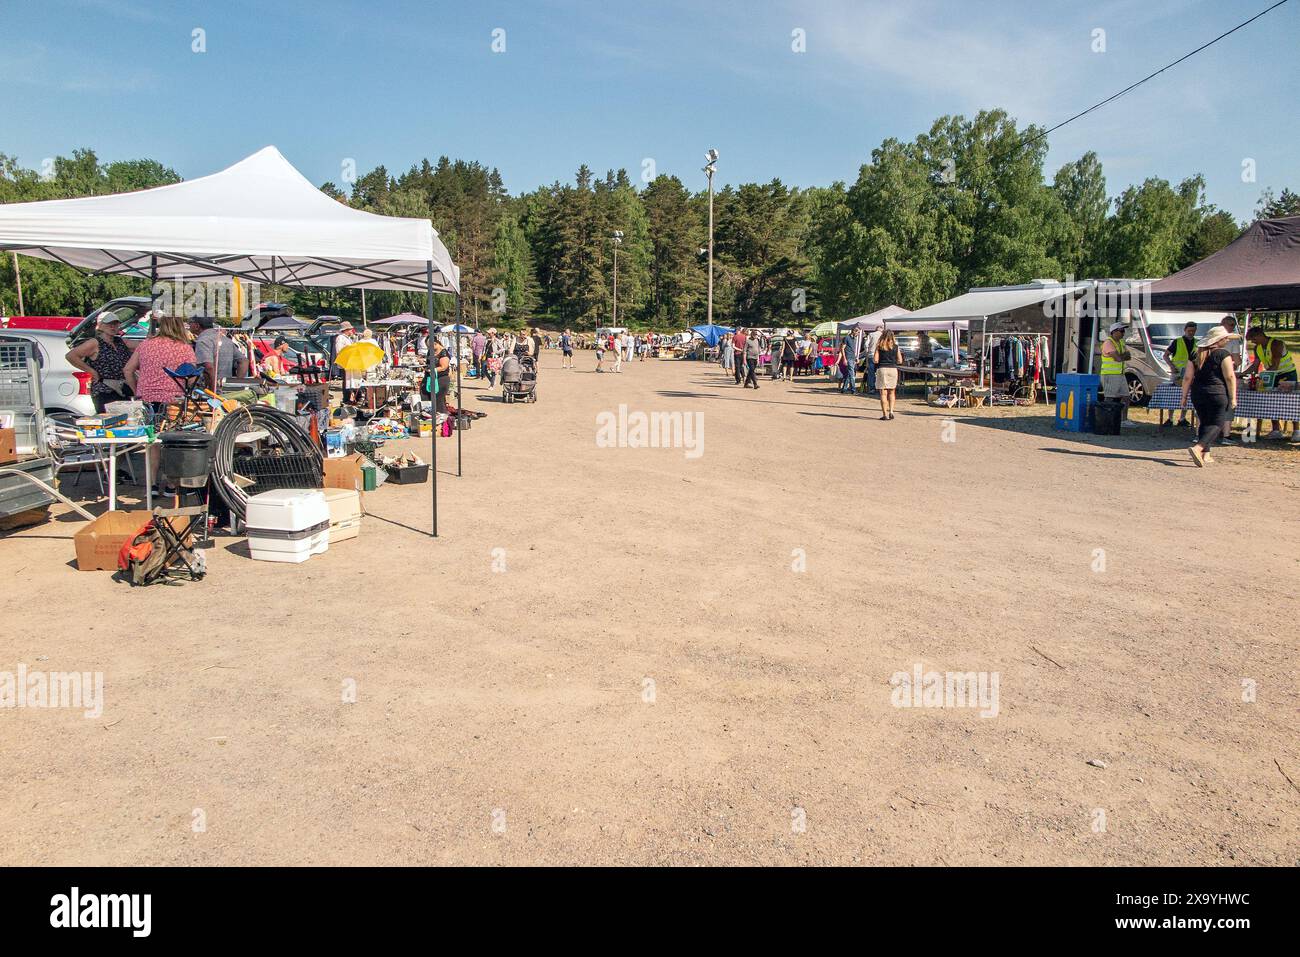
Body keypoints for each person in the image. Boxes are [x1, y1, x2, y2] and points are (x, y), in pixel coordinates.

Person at [1180, 325, 1238, 467]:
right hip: (1217, 392)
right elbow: (1230, 376)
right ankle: (1198, 448)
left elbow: (1187, 377)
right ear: (1218, 340)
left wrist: (1184, 396)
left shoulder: (1195, 354)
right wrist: (1233, 397)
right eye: (1226, 338)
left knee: (1204, 422)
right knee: (1217, 424)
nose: (1227, 341)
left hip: (1198, 393)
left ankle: (1205, 454)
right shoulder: (1223, 354)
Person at [123, 315, 198, 417]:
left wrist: (136, 390)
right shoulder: (184, 348)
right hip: (172, 400)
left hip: (146, 398)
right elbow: (191, 378)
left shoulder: (145, 345)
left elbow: (127, 370)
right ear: (180, 326)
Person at [65, 314, 135, 412]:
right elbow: (71, 356)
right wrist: (91, 371)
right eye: (109, 324)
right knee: (109, 421)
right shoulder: (95, 343)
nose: (112, 327)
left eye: (115, 324)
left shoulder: (120, 342)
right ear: (101, 326)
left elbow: (141, 345)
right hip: (104, 390)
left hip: (123, 389)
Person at [1243, 326, 1298, 439]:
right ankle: (1276, 430)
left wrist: (1263, 375)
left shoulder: (1276, 344)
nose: (1252, 342)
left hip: (1287, 374)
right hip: (1272, 375)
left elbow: (1275, 365)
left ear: (1260, 335)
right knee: (1271, 401)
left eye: (1253, 339)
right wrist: (1242, 374)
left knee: (1291, 401)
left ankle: (1297, 430)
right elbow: (1255, 366)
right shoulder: (1257, 348)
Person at [192, 315, 249, 390]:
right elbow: (244, 361)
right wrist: (236, 385)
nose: (189, 325)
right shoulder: (226, 340)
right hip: (226, 388)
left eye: (190, 323)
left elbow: (208, 367)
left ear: (196, 326)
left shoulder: (202, 341)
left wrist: (213, 390)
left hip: (209, 391)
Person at [1162, 320, 1198, 427]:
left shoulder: (1198, 343)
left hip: (1191, 374)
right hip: (1177, 373)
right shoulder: (1177, 342)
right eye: (1189, 330)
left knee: (1187, 395)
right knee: (1172, 396)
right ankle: (1170, 418)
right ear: (1185, 330)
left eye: (1193, 331)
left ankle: (1182, 418)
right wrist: (1172, 366)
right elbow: (1165, 355)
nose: (1191, 333)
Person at [1099, 320, 1134, 427]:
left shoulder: (1121, 342)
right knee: (1109, 397)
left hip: (1120, 374)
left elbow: (1128, 355)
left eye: (1124, 331)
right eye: (1121, 331)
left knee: (1126, 397)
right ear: (1114, 332)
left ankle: (1124, 420)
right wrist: (1122, 356)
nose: (1123, 333)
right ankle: (1106, 419)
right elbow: (1118, 358)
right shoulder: (1108, 343)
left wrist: (1121, 356)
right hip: (1110, 374)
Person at [874, 329, 902, 420]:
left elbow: (875, 360)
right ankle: (891, 411)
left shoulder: (879, 346)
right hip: (893, 369)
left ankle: (885, 414)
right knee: (892, 392)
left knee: (883, 393)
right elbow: (900, 360)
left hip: (882, 369)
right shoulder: (896, 347)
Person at [425, 333, 452, 420]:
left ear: (436, 343)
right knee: (431, 398)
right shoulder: (430, 351)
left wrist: (433, 370)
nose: (429, 348)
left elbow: (444, 367)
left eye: (430, 345)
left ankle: (443, 422)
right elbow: (428, 362)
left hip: (441, 379)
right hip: (431, 377)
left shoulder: (443, 352)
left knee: (439, 400)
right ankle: (435, 419)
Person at [864, 326, 883, 394]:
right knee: (880, 372)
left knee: (871, 373)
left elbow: (866, 345)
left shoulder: (871, 334)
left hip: (871, 355)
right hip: (881, 356)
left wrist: (867, 352)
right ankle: (879, 388)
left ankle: (871, 389)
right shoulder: (883, 335)